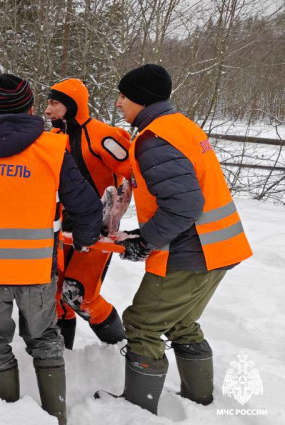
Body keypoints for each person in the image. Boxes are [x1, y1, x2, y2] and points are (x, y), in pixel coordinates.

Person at [95, 64, 253, 414]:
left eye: (123, 96)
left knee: (142, 324)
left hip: (191, 252)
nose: (119, 103)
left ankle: (136, 412)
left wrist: (145, 240)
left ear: (140, 98)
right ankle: (200, 403)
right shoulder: (180, 126)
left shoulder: (153, 139)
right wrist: (142, 234)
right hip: (219, 246)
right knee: (181, 323)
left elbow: (184, 204)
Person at [0, 73, 102, 424]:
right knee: (45, 337)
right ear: (30, 107)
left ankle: (7, 414)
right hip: (34, 267)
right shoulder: (51, 149)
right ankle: (56, 414)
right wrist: (85, 239)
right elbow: (86, 205)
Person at [44, 78, 132, 349]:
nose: (47, 110)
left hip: (98, 226)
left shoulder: (104, 136)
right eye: (48, 103)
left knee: (79, 294)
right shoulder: (52, 139)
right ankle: (62, 356)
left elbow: (138, 173)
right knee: (56, 295)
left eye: (54, 103)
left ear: (72, 105)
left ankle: (118, 347)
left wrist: (120, 205)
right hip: (62, 225)